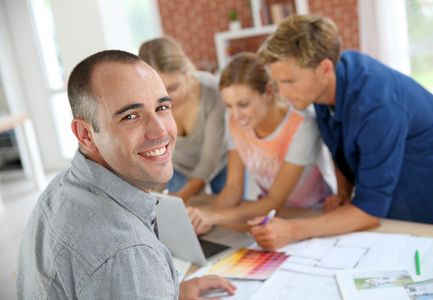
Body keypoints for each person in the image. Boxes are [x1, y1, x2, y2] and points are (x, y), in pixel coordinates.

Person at [16, 50, 236, 299]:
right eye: (131, 116)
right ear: (86, 134)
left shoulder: (62, 187)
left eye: (162, 107)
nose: (160, 130)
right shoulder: (127, 253)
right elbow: (123, 265)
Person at [248, 13, 433, 251]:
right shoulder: (328, 80)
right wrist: (344, 192)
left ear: (324, 68)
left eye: (290, 81)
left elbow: (371, 209)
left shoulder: (377, 106)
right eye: (278, 81)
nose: (282, 92)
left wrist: (293, 230)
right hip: (402, 181)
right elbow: (339, 140)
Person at [188, 52, 336, 235]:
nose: (235, 115)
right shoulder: (235, 121)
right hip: (267, 213)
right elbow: (233, 187)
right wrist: (205, 217)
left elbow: (275, 200)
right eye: (228, 105)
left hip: (311, 214)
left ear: (268, 92)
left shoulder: (301, 125)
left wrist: (214, 217)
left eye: (243, 104)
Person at [139, 37, 227, 202]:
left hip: (219, 163)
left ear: (186, 71)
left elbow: (209, 161)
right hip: (178, 167)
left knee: (226, 212)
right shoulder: (142, 102)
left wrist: (180, 199)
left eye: (173, 88)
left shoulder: (212, 92)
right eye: (159, 91)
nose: (167, 99)